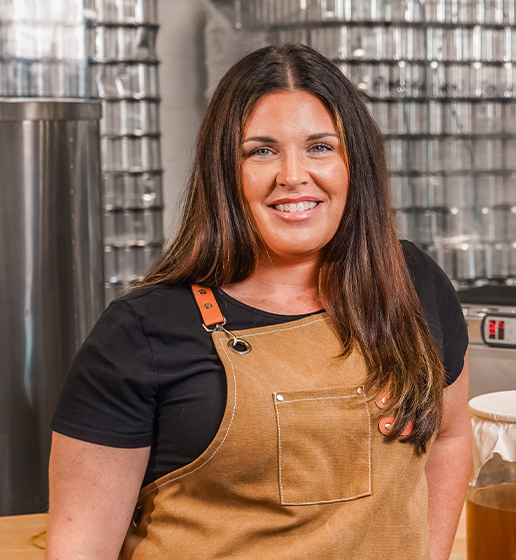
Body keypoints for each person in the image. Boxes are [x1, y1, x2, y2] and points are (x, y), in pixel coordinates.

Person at [46, 43, 471, 560]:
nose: (293, 175)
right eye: (261, 151)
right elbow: (81, 549)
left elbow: (449, 438)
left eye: (320, 147)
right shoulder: (142, 332)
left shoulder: (412, 285)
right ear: (224, 172)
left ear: (353, 163)